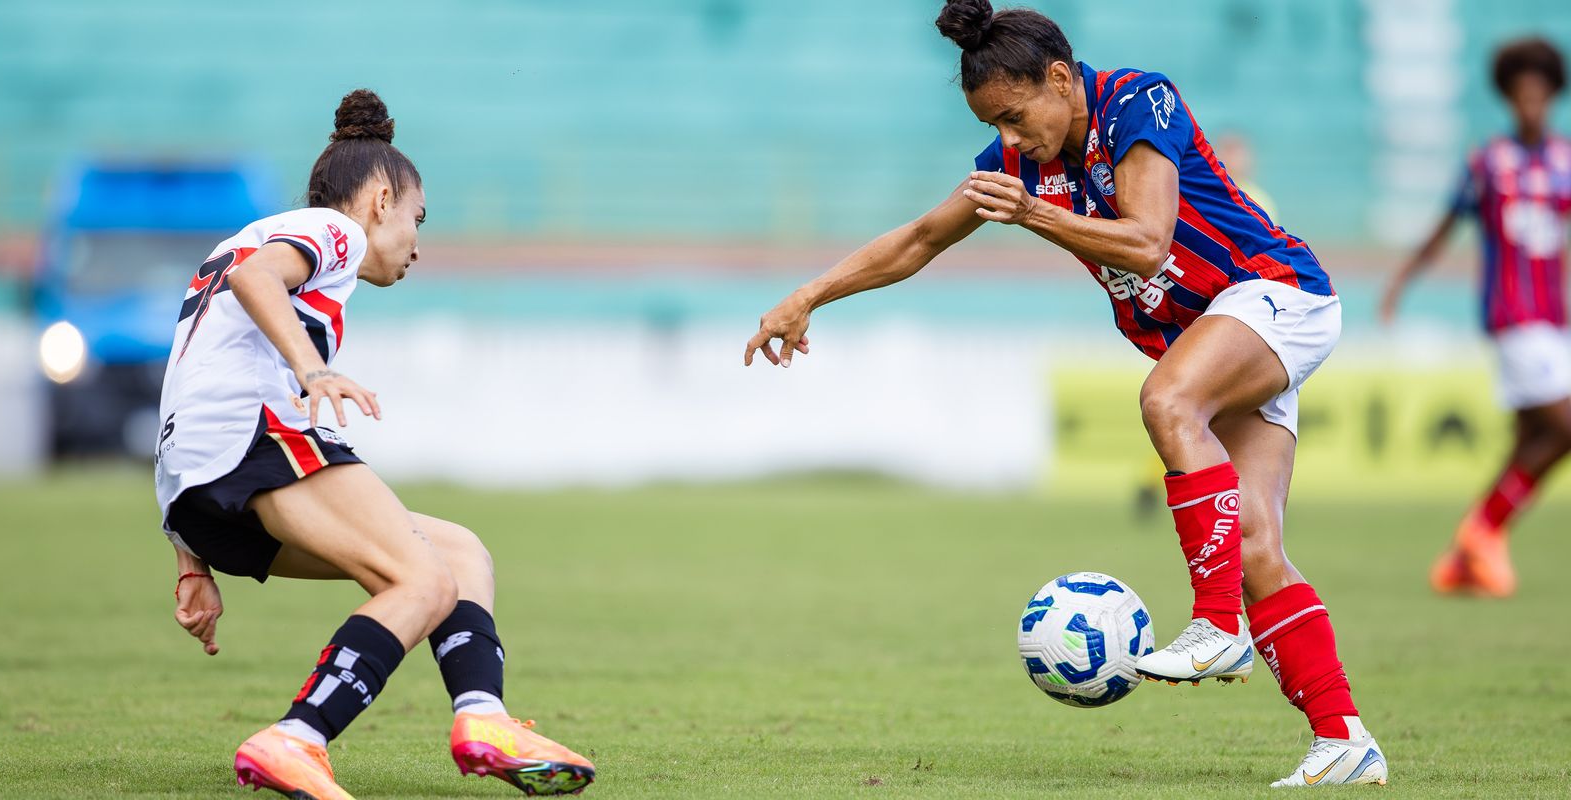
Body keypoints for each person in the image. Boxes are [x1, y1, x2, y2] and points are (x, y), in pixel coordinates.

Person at [743, 1, 1385, 788]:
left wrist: (1034, 213)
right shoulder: (1022, 164)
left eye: (1016, 119)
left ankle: (1217, 627)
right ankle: (1343, 736)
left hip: (1273, 294)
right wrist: (810, 294)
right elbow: (919, 239)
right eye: (996, 129)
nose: (1010, 142)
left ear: (1058, 78)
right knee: (1254, 551)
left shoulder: (1138, 101)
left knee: (1167, 401)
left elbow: (1149, 243)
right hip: (1221, 338)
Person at [155, 89, 594, 799]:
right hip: (258, 443)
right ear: (381, 197)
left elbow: (184, 381)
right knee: (422, 581)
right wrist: (314, 369)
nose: (417, 242)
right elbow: (254, 280)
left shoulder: (246, 236)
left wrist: (188, 558)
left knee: (458, 554)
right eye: (417, 218)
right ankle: (296, 738)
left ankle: (484, 718)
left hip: (200, 482)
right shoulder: (335, 231)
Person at [1382, 37, 1571, 599]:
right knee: (1563, 426)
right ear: (1510, 98)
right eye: (1521, 94)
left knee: (1529, 441)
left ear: (1552, 95)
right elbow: (1444, 230)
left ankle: (1464, 561)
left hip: (1554, 320)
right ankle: (1482, 529)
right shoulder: (1488, 162)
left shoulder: (1565, 160)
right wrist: (1400, 284)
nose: (1530, 104)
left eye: (1539, 93)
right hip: (1513, 317)